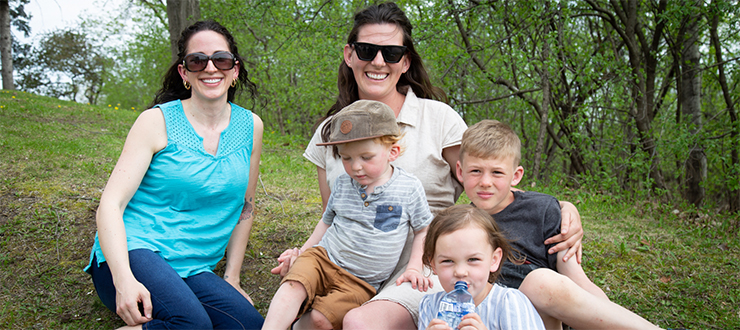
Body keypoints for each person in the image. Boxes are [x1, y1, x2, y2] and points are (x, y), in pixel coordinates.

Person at [295, 2, 585, 329]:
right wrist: (302, 254)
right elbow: (331, 216)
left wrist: (560, 206)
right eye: (367, 50)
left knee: (362, 324)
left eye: (391, 53)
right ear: (349, 55)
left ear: (404, 62)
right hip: (354, 263)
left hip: (425, 266)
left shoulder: (438, 118)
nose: (378, 61)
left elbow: (487, 181)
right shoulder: (330, 132)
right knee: (309, 323)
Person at [84, 20, 264, 329]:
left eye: (220, 59)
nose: (210, 68)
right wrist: (124, 279)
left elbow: (245, 207)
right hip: (135, 250)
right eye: (198, 60)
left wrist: (231, 277)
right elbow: (111, 205)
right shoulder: (155, 122)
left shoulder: (251, 127)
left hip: (194, 266)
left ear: (234, 69)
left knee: (248, 325)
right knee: (193, 325)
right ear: (184, 72)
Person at [456, 119, 662, 330]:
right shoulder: (458, 225)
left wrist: (606, 314)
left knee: (541, 282)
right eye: (475, 171)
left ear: (516, 176)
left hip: (543, 316)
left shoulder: (542, 210)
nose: (485, 182)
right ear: (460, 172)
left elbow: (576, 278)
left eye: (497, 172)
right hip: (490, 318)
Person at [264, 100, 434, 329]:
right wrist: (302, 252)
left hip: (361, 281)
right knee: (294, 283)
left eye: (366, 157)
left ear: (392, 152)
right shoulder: (344, 184)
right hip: (323, 258)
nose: (355, 167)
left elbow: (423, 228)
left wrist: (414, 266)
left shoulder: (408, 188)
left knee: (320, 320)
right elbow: (326, 222)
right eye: (347, 158)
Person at [419, 204, 545, 330]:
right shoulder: (430, 306)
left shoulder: (509, 303)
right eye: (448, 261)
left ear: (494, 260)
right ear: (433, 264)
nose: (460, 272)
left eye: (473, 259)